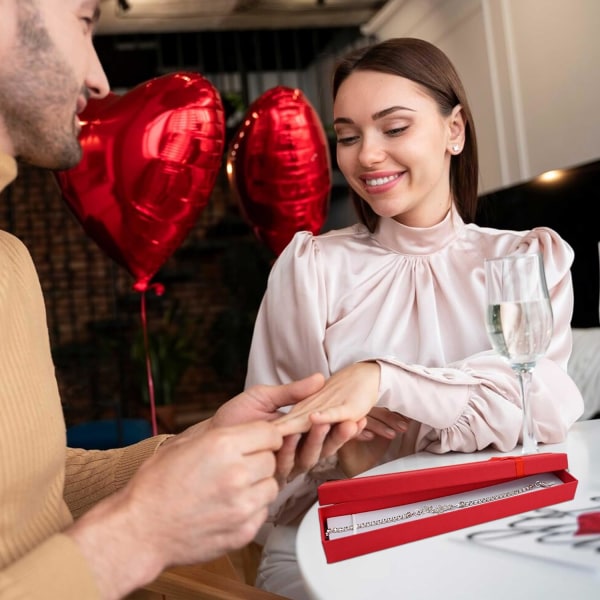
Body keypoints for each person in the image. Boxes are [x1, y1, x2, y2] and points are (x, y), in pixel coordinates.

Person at [0, 2, 364, 599]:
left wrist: (195, 445)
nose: (98, 78)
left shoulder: (10, 261)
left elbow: (36, 488)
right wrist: (142, 532)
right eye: (85, 21)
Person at [244, 37, 585, 598]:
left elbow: (540, 404)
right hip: (342, 538)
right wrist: (338, 448)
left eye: (393, 128)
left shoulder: (526, 260)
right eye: (348, 137)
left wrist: (381, 378)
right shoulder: (312, 269)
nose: (366, 155)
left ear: (455, 130)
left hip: (493, 526)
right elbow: (274, 451)